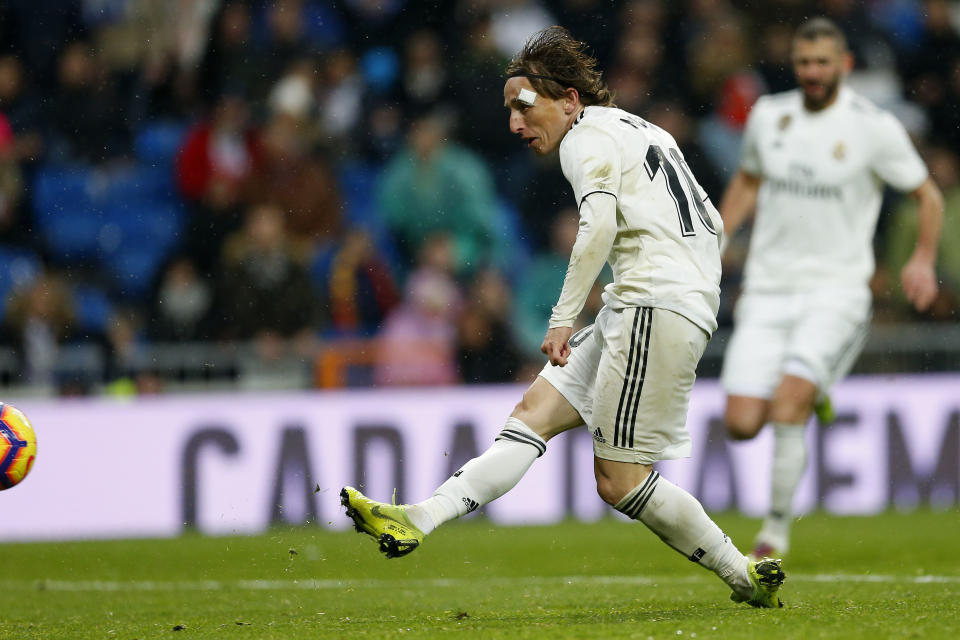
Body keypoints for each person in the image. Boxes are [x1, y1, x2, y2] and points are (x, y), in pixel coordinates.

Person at [342, 26, 786, 609]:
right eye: (509, 110)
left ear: (570, 99)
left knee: (618, 482)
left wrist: (562, 317)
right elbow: (711, 225)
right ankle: (417, 519)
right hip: (649, 302)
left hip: (654, 305)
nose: (514, 123)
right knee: (533, 414)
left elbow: (597, 228)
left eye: (524, 106)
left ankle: (743, 575)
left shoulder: (584, 140)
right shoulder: (642, 130)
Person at [717, 17, 943, 560]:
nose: (813, 72)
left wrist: (921, 259)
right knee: (742, 423)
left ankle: (772, 536)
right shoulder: (771, 116)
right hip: (769, 288)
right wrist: (718, 239)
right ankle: (815, 389)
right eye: (804, 63)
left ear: (844, 65)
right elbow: (748, 179)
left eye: (823, 63)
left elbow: (928, 195)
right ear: (794, 66)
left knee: (788, 404)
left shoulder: (873, 127)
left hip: (836, 290)